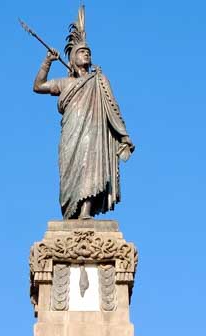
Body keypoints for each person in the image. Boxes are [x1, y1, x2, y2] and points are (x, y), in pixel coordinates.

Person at [32, 6, 134, 219]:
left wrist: (123, 134)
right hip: (71, 132)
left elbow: (112, 107)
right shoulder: (65, 83)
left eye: (88, 51)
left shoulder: (99, 80)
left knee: (90, 165)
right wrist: (47, 61)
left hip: (92, 132)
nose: (86, 53)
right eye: (81, 51)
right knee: (70, 170)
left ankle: (86, 211)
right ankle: (71, 212)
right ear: (72, 59)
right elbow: (38, 86)